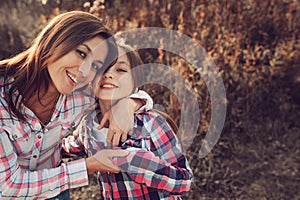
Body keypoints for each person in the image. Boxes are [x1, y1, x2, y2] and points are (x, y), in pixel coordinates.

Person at [0, 11, 152, 199]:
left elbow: (122, 89)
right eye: (81, 53)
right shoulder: (2, 99)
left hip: (55, 193)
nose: (85, 71)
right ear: (54, 40)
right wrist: (89, 165)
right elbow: (7, 187)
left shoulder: (82, 95)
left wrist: (129, 104)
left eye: (96, 65)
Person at [71, 40, 194, 199]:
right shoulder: (88, 125)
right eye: (102, 68)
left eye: (121, 69)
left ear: (136, 86)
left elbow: (184, 181)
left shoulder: (151, 124)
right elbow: (66, 147)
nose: (108, 74)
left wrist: (139, 163)